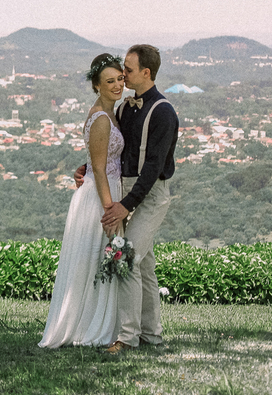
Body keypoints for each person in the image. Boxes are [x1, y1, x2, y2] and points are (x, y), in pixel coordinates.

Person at [92, 44, 179, 355]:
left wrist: (125, 205)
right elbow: (114, 149)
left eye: (127, 70)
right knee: (144, 267)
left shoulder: (164, 112)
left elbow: (154, 167)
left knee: (126, 258)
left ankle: (127, 338)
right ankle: (151, 336)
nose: (122, 74)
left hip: (150, 196)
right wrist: (86, 168)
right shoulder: (126, 108)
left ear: (146, 72)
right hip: (126, 190)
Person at [38, 53, 127, 348]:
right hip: (100, 195)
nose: (117, 85)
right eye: (109, 81)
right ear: (96, 86)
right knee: (93, 259)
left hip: (102, 188)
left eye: (120, 79)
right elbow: (99, 168)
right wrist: (110, 208)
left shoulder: (112, 112)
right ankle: (87, 327)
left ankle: (93, 322)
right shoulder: (101, 118)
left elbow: (94, 161)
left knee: (96, 260)